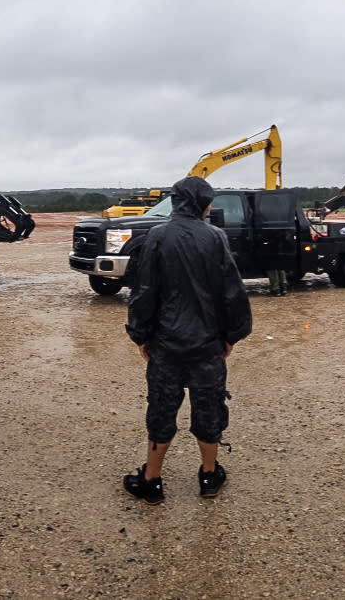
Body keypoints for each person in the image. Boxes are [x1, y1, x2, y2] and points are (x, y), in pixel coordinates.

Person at [124, 176, 253, 504]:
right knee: (208, 408)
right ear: (203, 205)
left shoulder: (155, 237)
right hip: (208, 344)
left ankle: (151, 480)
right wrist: (231, 336)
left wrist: (141, 334)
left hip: (165, 344)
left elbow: (144, 291)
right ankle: (209, 476)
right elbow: (231, 292)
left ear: (177, 202)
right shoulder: (216, 237)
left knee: (161, 409)